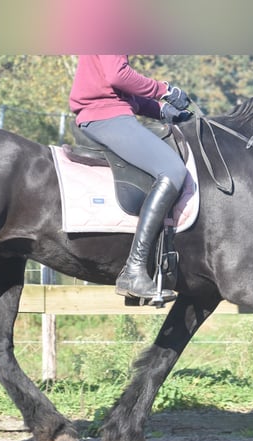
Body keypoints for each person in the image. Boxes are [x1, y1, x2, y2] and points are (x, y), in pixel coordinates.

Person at [69, 55, 192, 303]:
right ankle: (134, 270)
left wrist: (161, 110)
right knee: (173, 170)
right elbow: (118, 75)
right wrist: (164, 90)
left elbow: (117, 91)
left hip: (109, 113)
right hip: (106, 117)